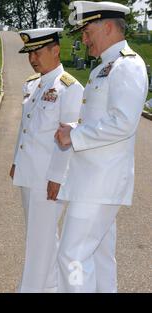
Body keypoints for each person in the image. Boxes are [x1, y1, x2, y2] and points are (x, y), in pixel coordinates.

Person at [55, 1, 149, 292]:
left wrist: (75, 135)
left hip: (100, 182)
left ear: (107, 27)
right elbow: (103, 119)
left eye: (87, 31)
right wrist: (76, 129)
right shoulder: (104, 68)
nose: (83, 39)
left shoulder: (127, 65)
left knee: (72, 255)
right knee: (99, 255)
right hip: (93, 180)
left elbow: (123, 121)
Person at [10, 28, 84, 292]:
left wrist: (57, 177)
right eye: (30, 53)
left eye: (38, 52)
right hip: (29, 173)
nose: (33, 58)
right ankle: (52, 288)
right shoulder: (33, 84)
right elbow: (26, 127)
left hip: (47, 179)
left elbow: (69, 136)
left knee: (39, 243)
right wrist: (16, 160)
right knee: (41, 238)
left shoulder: (70, 88)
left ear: (56, 50)